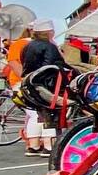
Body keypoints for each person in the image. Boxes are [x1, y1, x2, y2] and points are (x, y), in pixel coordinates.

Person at [20, 22, 68, 156]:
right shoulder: (49, 47)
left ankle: (34, 146)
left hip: (30, 83)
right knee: (52, 113)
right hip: (47, 84)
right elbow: (53, 66)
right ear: (49, 32)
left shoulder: (27, 46)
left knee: (36, 114)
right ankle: (49, 146)